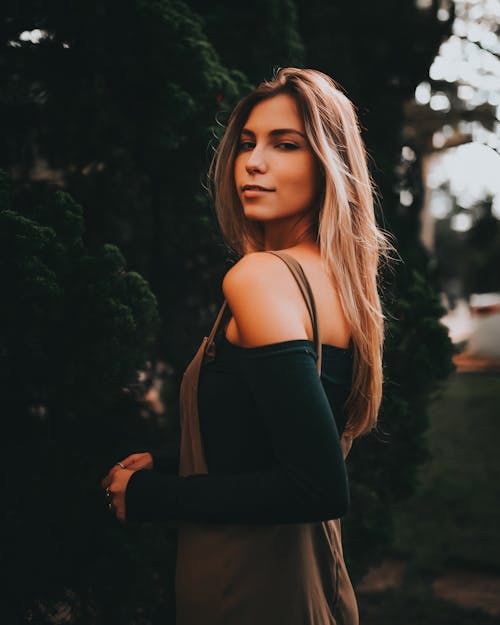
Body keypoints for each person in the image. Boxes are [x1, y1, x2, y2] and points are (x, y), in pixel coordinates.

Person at [101, 67, 394, 624]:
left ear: (329, 165)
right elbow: (278, 436)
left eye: (285, 145)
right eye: (246, 144)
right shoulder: (337, 281)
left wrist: (148, 498)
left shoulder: (261, 278)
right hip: (312, 589)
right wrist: (171, 462)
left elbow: (316, 487)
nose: (253, 162)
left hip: (247, 593)